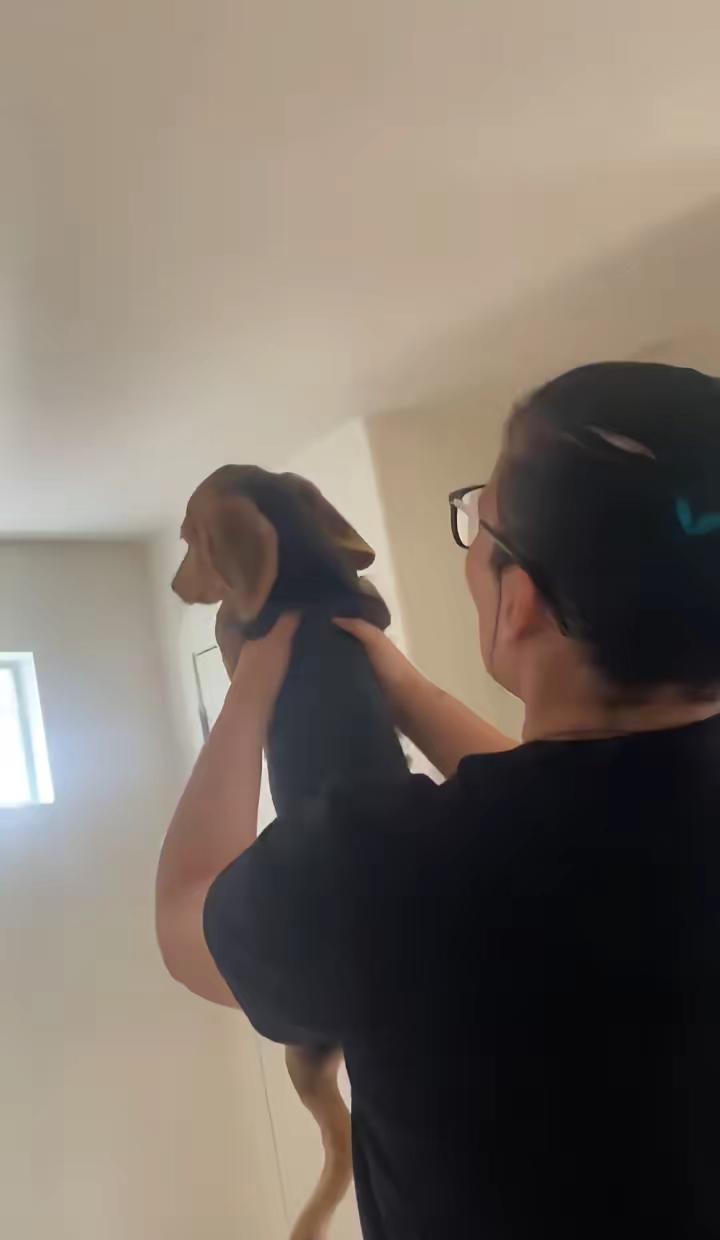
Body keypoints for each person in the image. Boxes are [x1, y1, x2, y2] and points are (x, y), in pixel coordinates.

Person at [156, 362, 720, 1239]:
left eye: (477, 523)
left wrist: (250, 690)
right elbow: (582, 801)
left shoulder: (387, 875)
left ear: (517, 601)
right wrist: (412, 694)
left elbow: (184, 918)